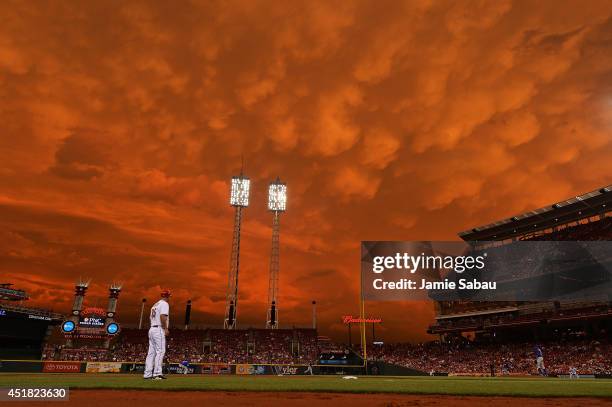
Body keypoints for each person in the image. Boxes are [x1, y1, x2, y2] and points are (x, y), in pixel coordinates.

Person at [144, 289, 171, 380]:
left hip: (152, 328)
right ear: (167, 296)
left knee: (151, 353)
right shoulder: (164, 304)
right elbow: (163, 316)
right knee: (160, 351)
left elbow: (151, 317)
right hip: (158, 329)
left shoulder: (155, 305)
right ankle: (157, 374)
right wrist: (165, 328)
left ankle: (147, 374)